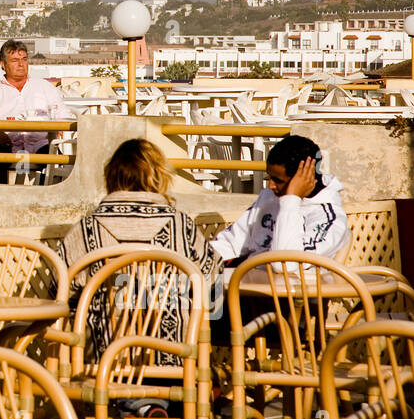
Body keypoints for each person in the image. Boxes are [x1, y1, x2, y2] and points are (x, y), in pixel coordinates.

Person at [60, 139, 222, 361]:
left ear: (111, 177)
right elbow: (214, 282)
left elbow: (59, 290)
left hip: (104, 359)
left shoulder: (86, 229)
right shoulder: (181, 226)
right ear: (159, 176)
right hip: (176, 357)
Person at [209, 134, 349, 263]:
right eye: (269, 177)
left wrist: (291, 199)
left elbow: (284, 263)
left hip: (296, 288)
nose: (270, 185)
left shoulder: (330, 219)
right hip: (247, 283)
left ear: (303, 179)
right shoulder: (269, 198)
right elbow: (231, 243)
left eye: (278, 180)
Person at [0, 39, 70, 184]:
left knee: (59, 161)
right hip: (8, 146)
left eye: (24, 59)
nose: (21, 64)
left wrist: (57, 130)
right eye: (14, 60)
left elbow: (63, 115)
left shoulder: (44, 87)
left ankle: (45, 202)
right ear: (3, 64)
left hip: (41, 144)